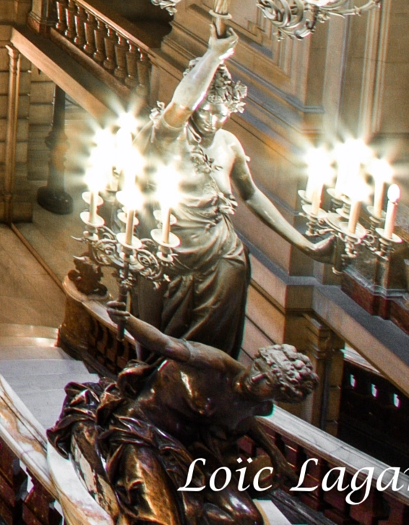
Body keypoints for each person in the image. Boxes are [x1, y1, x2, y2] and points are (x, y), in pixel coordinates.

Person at [137, 29, 333, 355]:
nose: (214, 119)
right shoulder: (169, 137)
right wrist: (213, 55)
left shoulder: (230, 145)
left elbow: (252, 194)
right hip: (172, 256)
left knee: (215, 353)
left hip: (224, 259)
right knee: (164, 351)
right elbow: (180, 103)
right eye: (207, 109)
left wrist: (304, 243)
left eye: (221, 111)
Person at [52, 312, 317, 525]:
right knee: (158, 518)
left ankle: (192, 513)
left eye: (267, 384)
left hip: (192, 452)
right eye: (258, 367)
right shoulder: (214, 363)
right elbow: (164, 343)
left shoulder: (257, 405)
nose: (254, 379)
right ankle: (184, 511)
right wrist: (128, 320)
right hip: (140, 432)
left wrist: (275, 454)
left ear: (278, 396)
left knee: (246, 518)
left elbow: (245, 422)